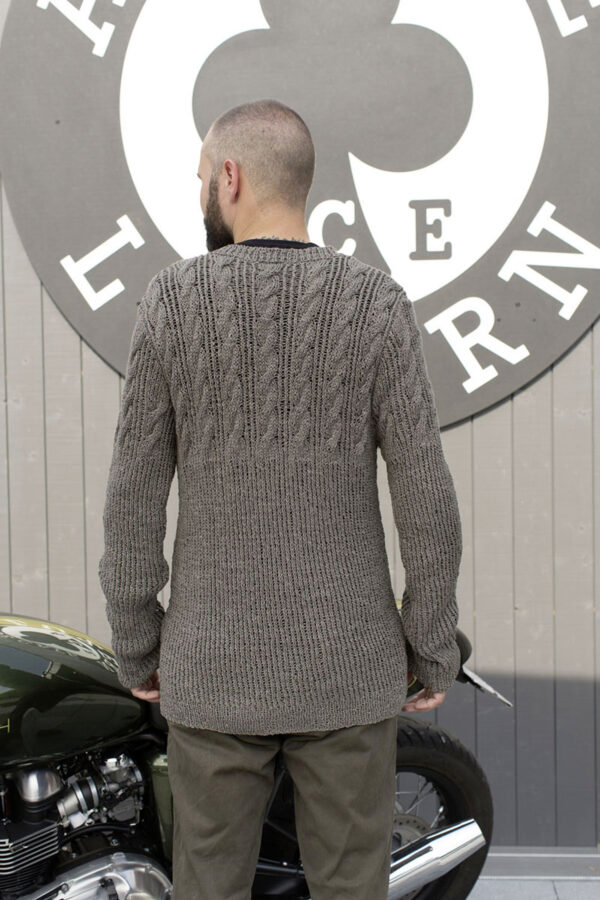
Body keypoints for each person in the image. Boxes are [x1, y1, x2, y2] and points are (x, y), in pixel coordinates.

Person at [98, 98, 463, 900]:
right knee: (351, 887)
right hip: (349, 668)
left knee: (209, 887)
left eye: (202, 175)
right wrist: (433, 644)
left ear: (230, 178)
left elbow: (132, 500)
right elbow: (426, 496)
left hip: (212, 669)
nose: (201, 189)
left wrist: (138, 644)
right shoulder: (374, 304)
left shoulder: (173, 303)